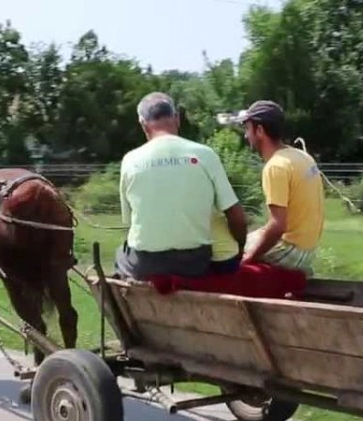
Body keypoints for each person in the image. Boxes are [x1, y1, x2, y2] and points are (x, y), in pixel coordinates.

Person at [115, 92, 248, 281]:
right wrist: (241, 245)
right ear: (177, 118)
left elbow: (129, 220)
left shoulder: (130, 160)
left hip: (145, 264)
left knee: (120, 254)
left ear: (143, 124)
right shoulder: (204, 154)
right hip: (194, 263)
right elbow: (235, 215)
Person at [233, 100, 325, 277]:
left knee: (229, 251)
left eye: (248, 129)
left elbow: (278, 226)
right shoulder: (301, 156)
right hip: (308, 250)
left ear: (260, 130)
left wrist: (249, 258)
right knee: (249, 239)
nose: (246, 135)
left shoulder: (276, 166)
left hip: (291, 252)